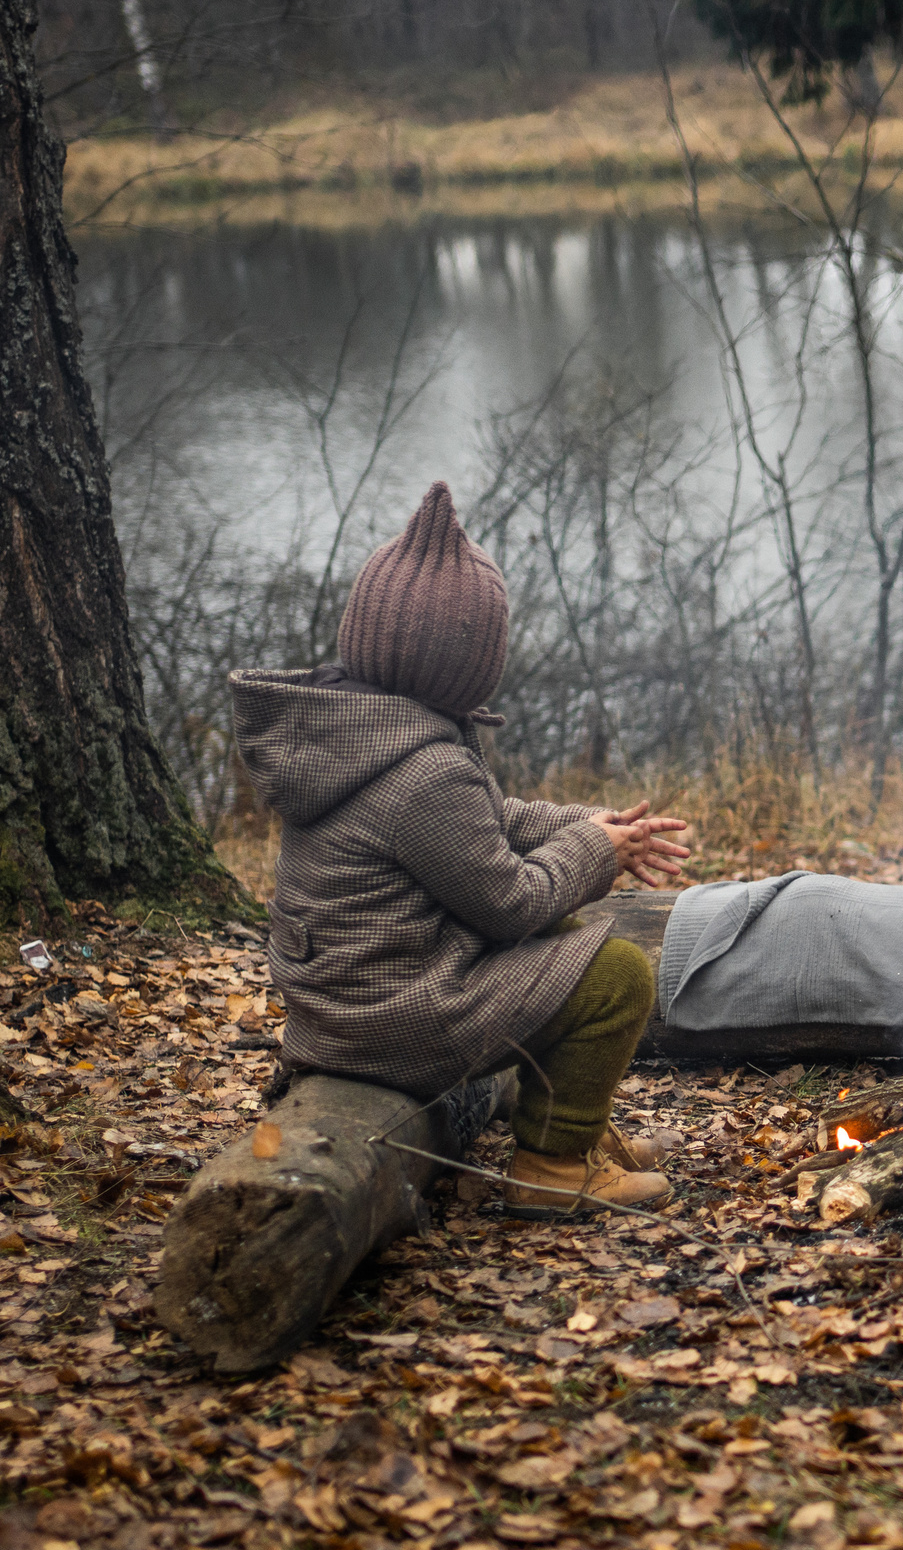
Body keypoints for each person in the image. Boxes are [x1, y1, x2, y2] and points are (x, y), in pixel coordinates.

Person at [230, 482, 693, 1219]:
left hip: (343, 1003)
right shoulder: (425, 769)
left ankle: (584, 1132)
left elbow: (486, 821)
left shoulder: (359, 725)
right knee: (616, 976)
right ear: (469, 659)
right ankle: (552, 1163)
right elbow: (511, 903)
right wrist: (593, 852)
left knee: (567, 940)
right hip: (392, 1014)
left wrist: (588, 823)